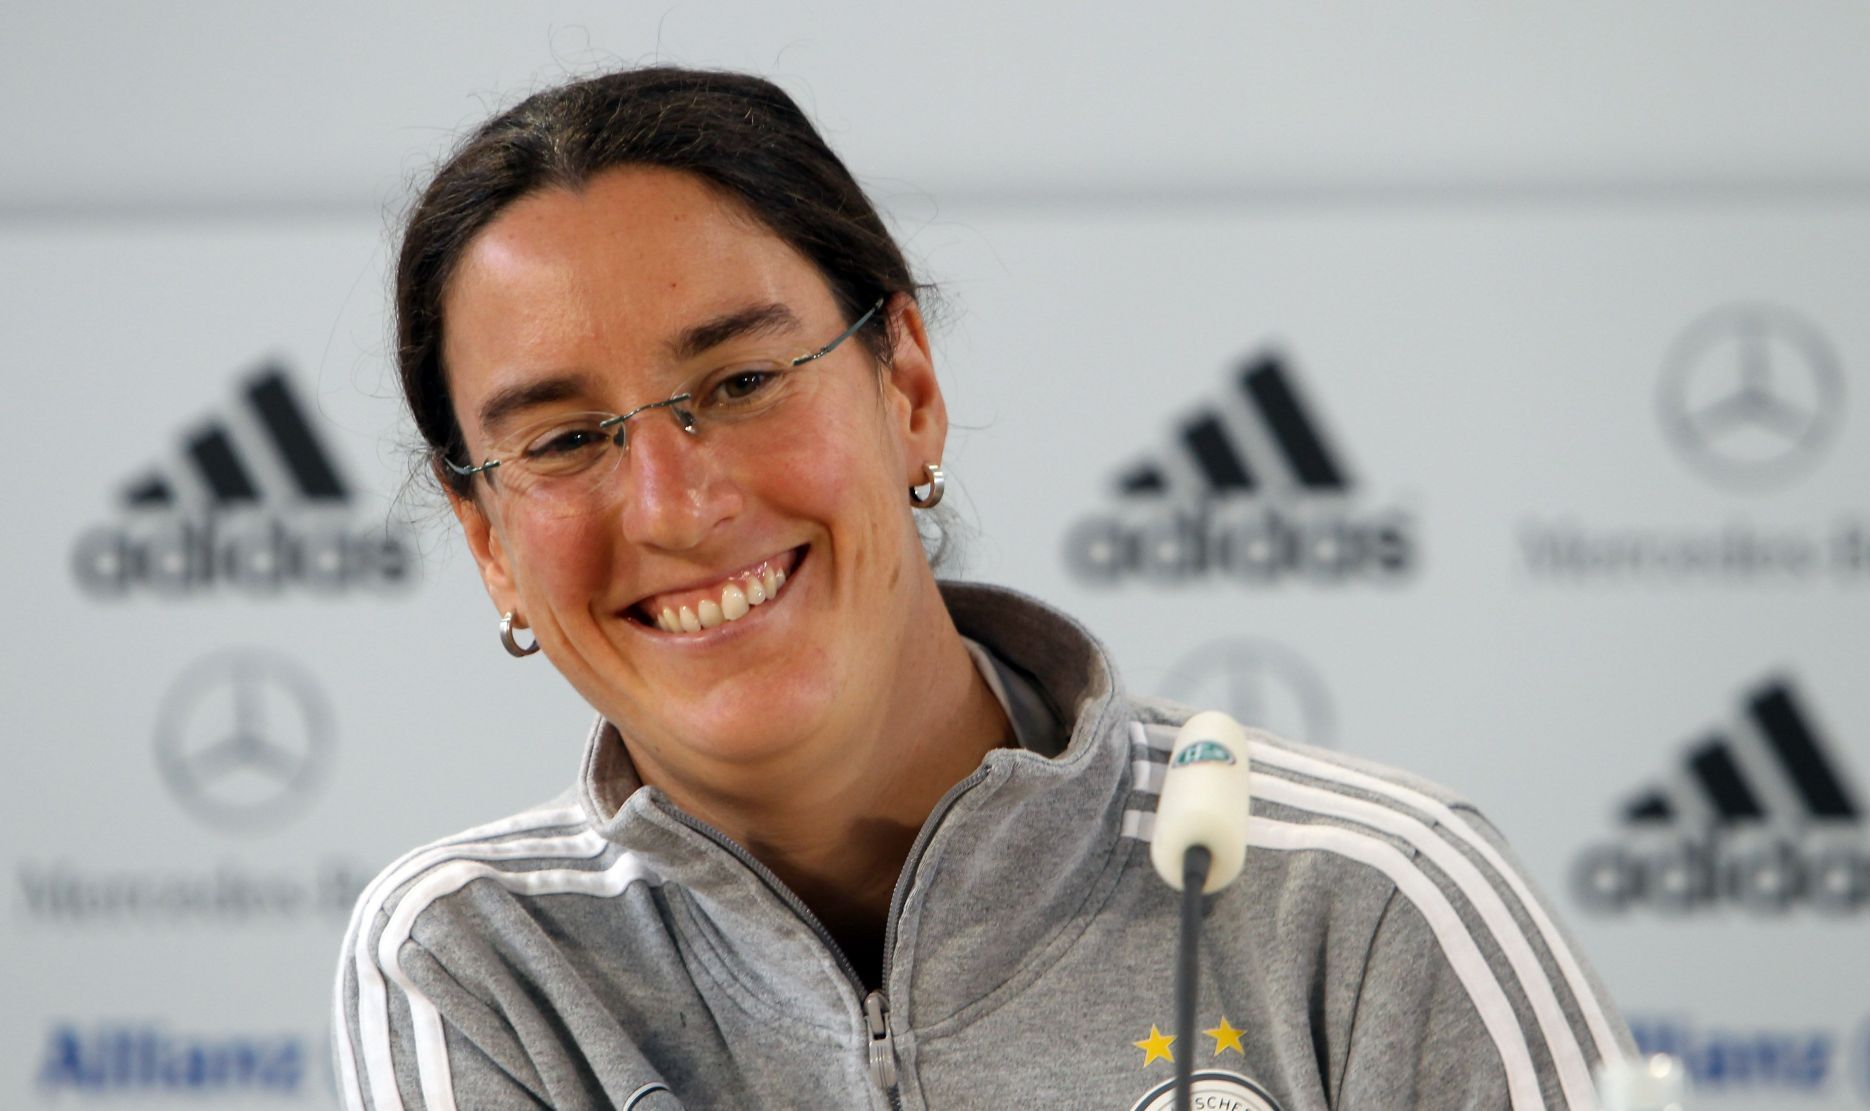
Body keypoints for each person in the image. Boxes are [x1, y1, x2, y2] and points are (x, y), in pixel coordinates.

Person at [334, 67, 1634, 1110]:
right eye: (564, 440)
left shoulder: (1365, 902)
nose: (677, 506)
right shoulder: (477, 962)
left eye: (740, 384)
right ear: (488, 538)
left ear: (906, 387)